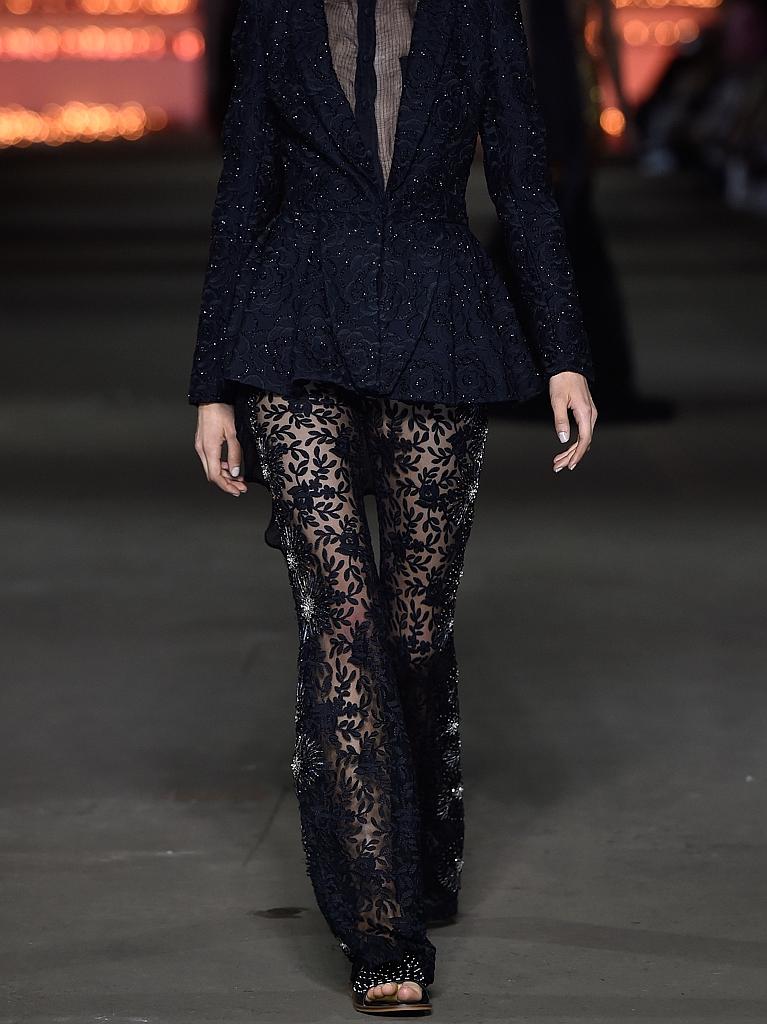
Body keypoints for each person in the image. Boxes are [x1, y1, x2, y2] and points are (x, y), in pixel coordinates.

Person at [188, 0, 598, 1014]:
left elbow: (521, 183)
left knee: (415, 625)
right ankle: (381, 922)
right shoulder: (276, 17)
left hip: (437, 317)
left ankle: (422, 845)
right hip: (292, 326)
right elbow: (243, 187)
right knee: (346, 610)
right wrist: (210, 383)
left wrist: (565, 355)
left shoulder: (479, 17)